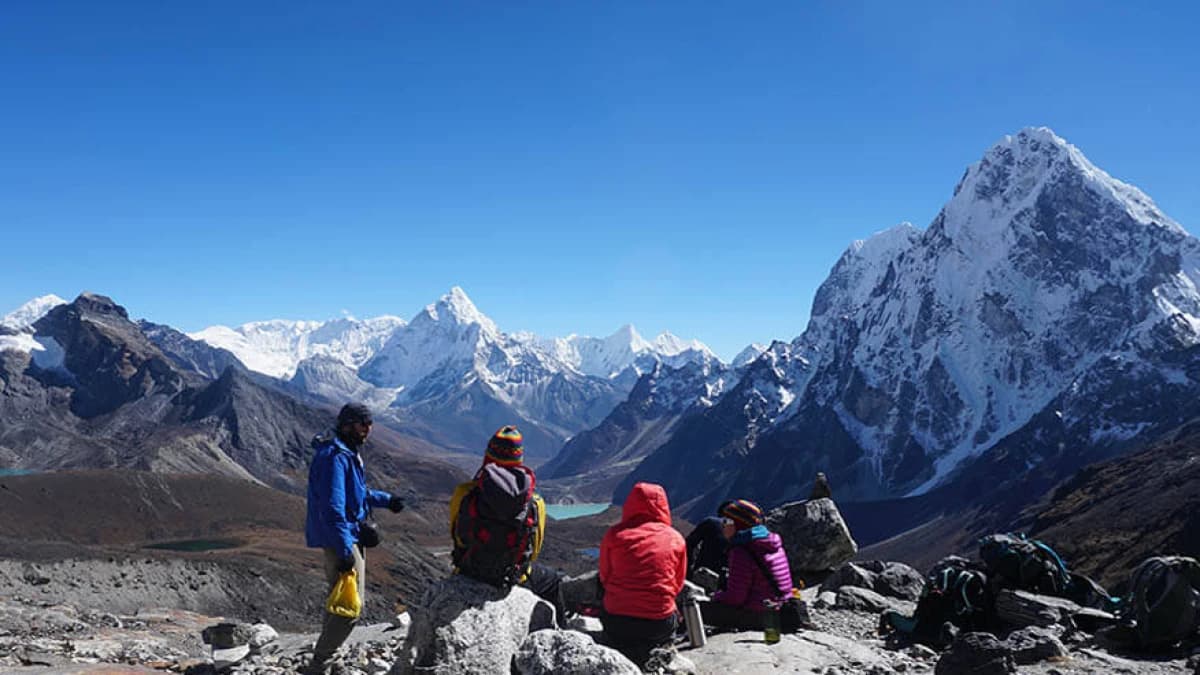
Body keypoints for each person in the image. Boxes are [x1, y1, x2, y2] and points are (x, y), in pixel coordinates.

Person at [303, 403, 405, 675]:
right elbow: (334, 506)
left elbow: (356, 493)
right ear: (348, 424)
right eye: (363, 424)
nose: (368, 430)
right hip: (342, 538)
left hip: (345, 535)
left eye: (370, 424)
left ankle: (330, 659)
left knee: (337, 598)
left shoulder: (345, 452)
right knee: (350, 606)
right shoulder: (335, 456)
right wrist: (344, 547)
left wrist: (387, 500)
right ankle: (320, 665)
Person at [449, 425, 564, 616]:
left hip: (469, 571)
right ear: (519, 460)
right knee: (552, 581)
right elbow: (533, 552)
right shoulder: (535, 502)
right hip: (514, 577)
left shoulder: (465, 493)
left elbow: (458, 537)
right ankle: (559, 634)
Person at [599, 482, 687, 668]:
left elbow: (605, 577)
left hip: (617, 621)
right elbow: (677, 584)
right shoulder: (675, 538)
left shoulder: (614, 535)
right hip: (658, 623)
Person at [701, 499, 799, 632]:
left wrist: (717, 596)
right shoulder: (771, 542)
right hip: (782, 609)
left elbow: (735, 598)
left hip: (761, 614)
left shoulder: (741, 551)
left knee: (697, 610)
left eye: (727, 521)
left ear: (738, 525)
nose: (723, 526)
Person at [685, 500, 732, 591]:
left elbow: (689, 544)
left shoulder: (710, 522)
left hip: (701, 574)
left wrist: (688, 570)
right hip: (728, 582)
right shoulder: (743, 531)